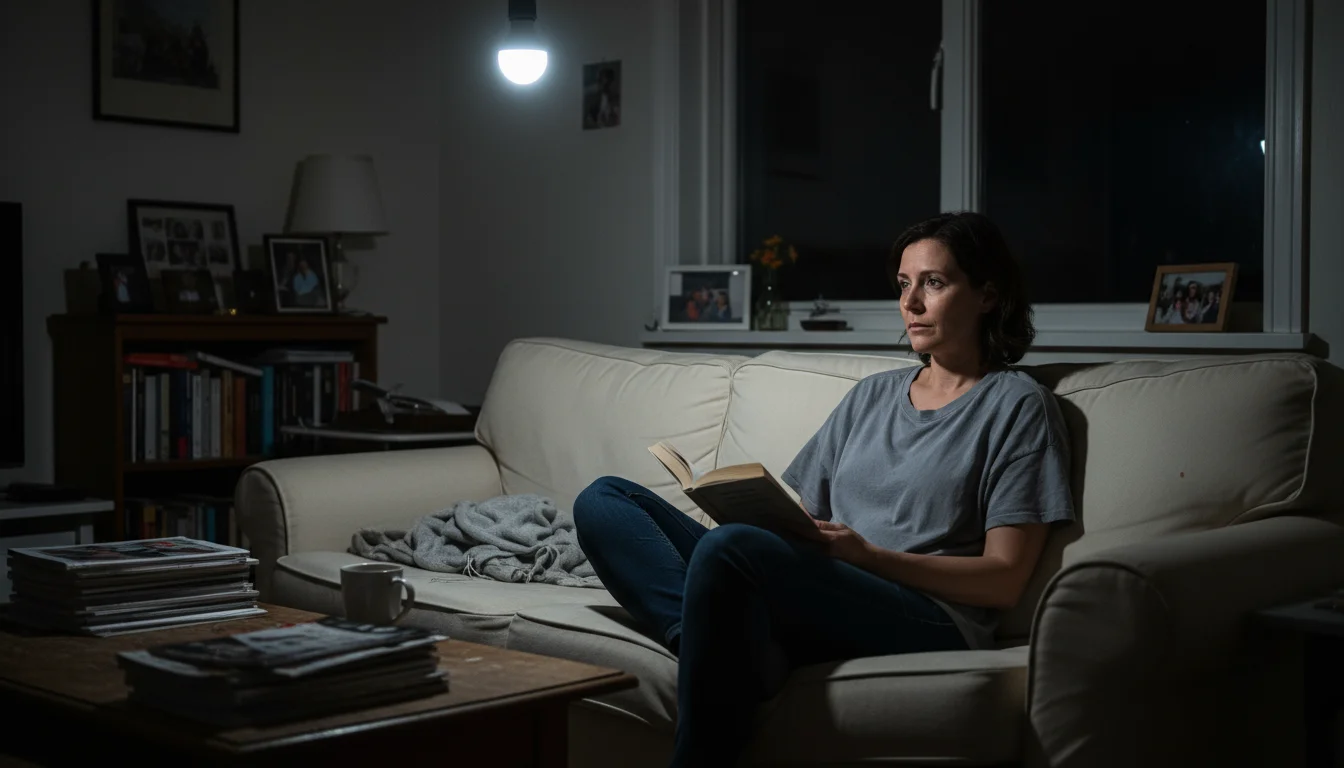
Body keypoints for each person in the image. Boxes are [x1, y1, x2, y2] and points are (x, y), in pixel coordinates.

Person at [572, 211, 1076, 767]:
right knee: (605, 501)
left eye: (934, 282)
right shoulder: (873, 396)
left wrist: (870, 556)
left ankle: (714, 693)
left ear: (987, 294)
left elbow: (1004, 580)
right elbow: (796, 508)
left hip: (930, 613)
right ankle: (725, 645)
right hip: (828, 584)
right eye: (904, 285)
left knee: (728, 550)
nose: (910, 303)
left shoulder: (1018, 406)